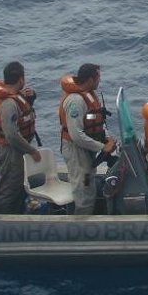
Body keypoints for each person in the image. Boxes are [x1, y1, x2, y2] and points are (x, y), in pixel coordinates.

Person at [59, 63, 116, 214]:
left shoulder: (90, 96)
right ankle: (80, 226)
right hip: (76, 150)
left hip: (87, 148)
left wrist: (107, 139)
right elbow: (76, 135)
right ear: (91, 79)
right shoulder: (76, 101)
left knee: (88, 185)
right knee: (83, 189)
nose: (99, 81)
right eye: (98, 78)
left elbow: (96, 121)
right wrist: (102, 147)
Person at [0, 61, 42, 214]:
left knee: (17, 185)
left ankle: (15, 214)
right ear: (21, 80)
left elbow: (22, 115)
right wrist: (32, 151)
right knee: (9, 190)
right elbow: (11, 135)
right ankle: (4, 223)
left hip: (15, 149)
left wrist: (30, 100)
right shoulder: (9, 103)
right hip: (10, 151)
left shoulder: (16, 96)